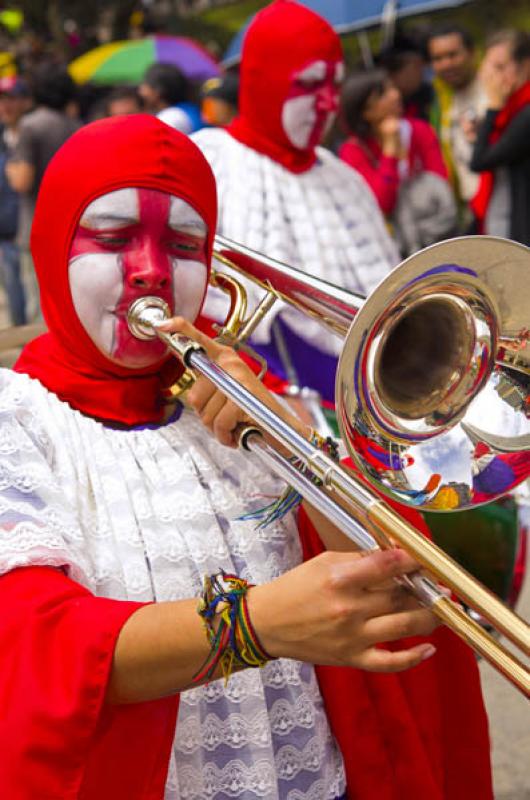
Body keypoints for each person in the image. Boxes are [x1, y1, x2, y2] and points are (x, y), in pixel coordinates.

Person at [0, 114, 493, 799]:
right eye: (113, 239)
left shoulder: (237, 389)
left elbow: (394, 571)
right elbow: (29, 644)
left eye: (183, 244)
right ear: (52, 244)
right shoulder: (16, 416)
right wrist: (253, 625)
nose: (149, 270)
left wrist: (290, 430)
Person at [192, 0, 399, 404]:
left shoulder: (346, 179)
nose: (327, 104)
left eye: (334, 86)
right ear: (263, 80)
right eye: (308, 85)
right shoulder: (207, 165)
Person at [339, 69, 456, 255]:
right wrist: (390, 150)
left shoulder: (420, 131)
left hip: (435, 237)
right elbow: (381, 205)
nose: (395, 95)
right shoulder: (353, 152)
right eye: (382, 94)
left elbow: (441, 188)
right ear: (366, 112)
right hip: (389, 248)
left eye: (393, 88)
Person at [5, 63, 80, 321]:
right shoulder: (76, 125)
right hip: (72, 231)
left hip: (36, 231)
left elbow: (21, 181)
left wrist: (10, 162)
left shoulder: (30, 126)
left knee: (39, 309)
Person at [469, 30, 530, 245]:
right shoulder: (513, 108)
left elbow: (480, 161)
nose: (493, 76)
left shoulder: (525, 112)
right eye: (491, 67)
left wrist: (493, 107)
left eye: (500, 67)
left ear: (525, 64)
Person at [426, 25, 488, 215]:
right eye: (438, 59)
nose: (446, 64)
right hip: (472, 209)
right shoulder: (439, 103)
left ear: (471, 53)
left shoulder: (493, 92)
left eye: (453, 55)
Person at [0, 76, 30, 325]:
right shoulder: (3, 137)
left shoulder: (32, 134)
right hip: (6, 234)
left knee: (35, 304)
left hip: (31, 234)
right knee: (14, 300)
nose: (5, 105)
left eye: (11, 98)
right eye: (1, 99)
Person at [140, 62, 202, 134]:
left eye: (144, 86)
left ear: (158, 91)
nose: (140, 91)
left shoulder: (169, 119)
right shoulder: (190, 109)